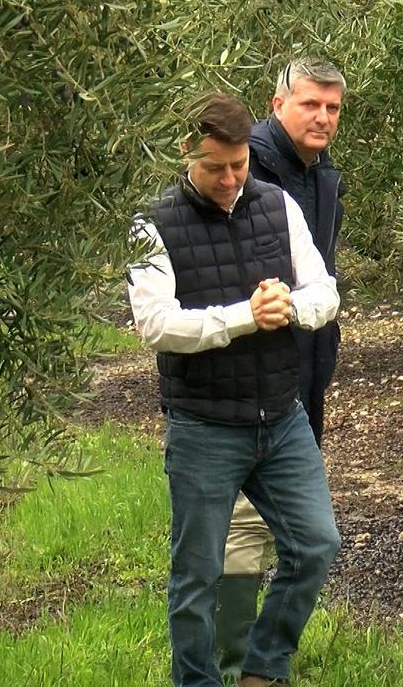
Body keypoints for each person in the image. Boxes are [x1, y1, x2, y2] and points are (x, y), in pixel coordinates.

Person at [127, 92, 341, 687]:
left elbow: (325, 292)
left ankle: (262, 672)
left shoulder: (276, 205)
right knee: (197, 577)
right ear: (186, 154)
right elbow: (156, 325)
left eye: (239, 165)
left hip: (282, 417)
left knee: (317, 546)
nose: (229, 179)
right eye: (215, 166)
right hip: (203, 426)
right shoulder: (153, 223)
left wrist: (290, 306)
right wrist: (243, 316)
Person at [213, 58, 346, 681]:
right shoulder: (247, 171)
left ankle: (257, 663)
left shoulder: (323, 178)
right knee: (245, 524)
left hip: (302, 370)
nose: (323, 117)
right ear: (278, 104)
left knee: (297, 532)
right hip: (243, 378)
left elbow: (319, 282)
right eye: (311, 104)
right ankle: (237, 661)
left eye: (334, 108)